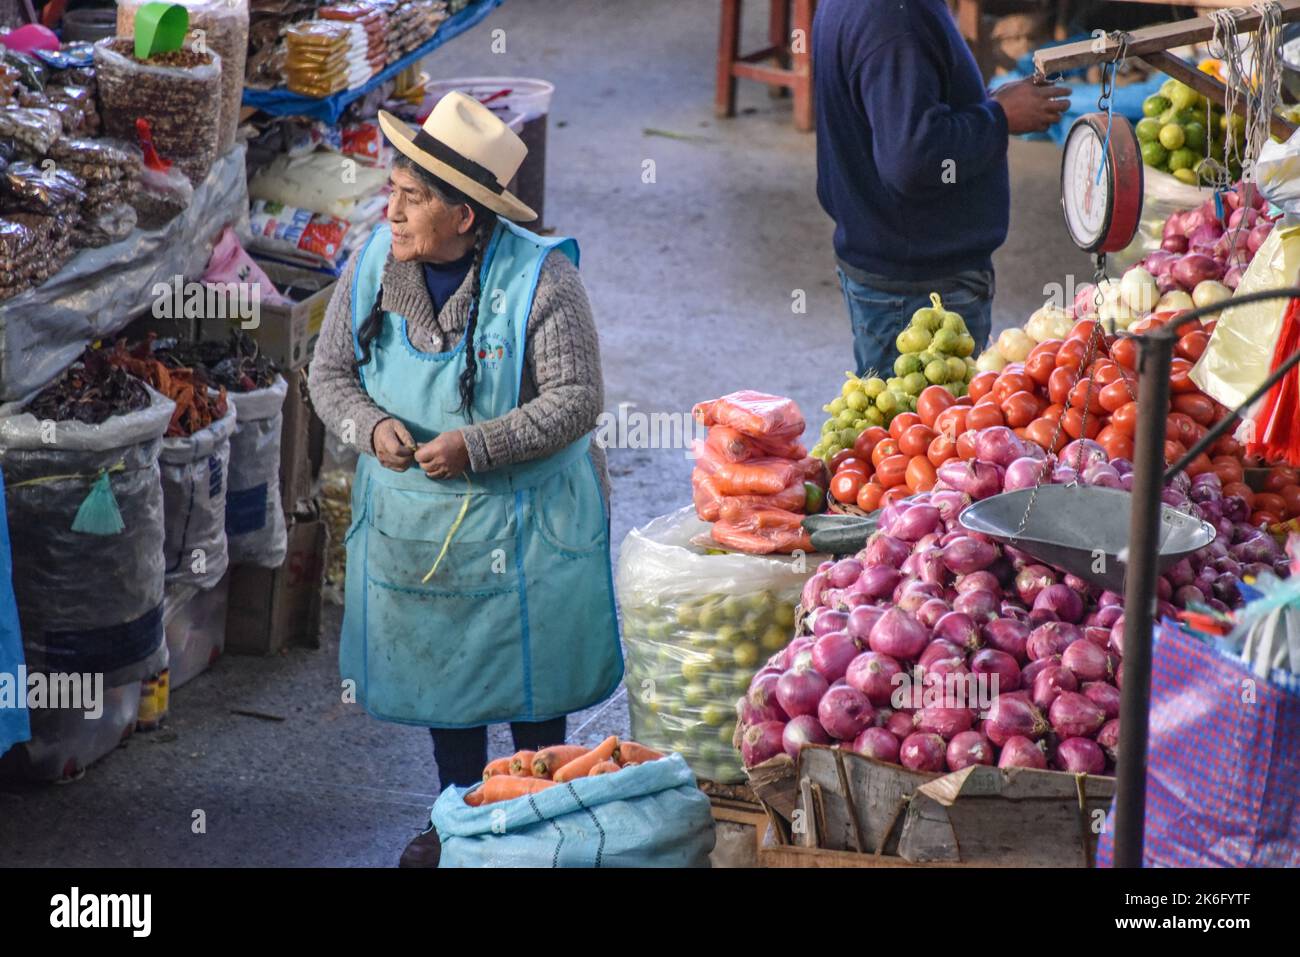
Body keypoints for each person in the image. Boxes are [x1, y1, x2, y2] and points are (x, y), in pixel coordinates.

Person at [308, 92, 624, 867]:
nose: (394, 211)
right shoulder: (374, 266)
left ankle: (536, 816)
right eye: (394, 191)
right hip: (422, 526)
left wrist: (477, 445)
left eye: (414, 199)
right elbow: (328, 373)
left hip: (526, 528)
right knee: (443, 677)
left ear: (467, 216)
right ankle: (457, 817)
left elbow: (577, 400)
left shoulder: (543, 282)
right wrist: (369, 427)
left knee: (533, 685)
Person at [813, 0, 1069, 376]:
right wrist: (999, 118)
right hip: (918, 291)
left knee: (900, 426)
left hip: (893, 266)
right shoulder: (895, 20)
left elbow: (908, 113)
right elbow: (913, 161)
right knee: (924, 428)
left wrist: (989, 104)